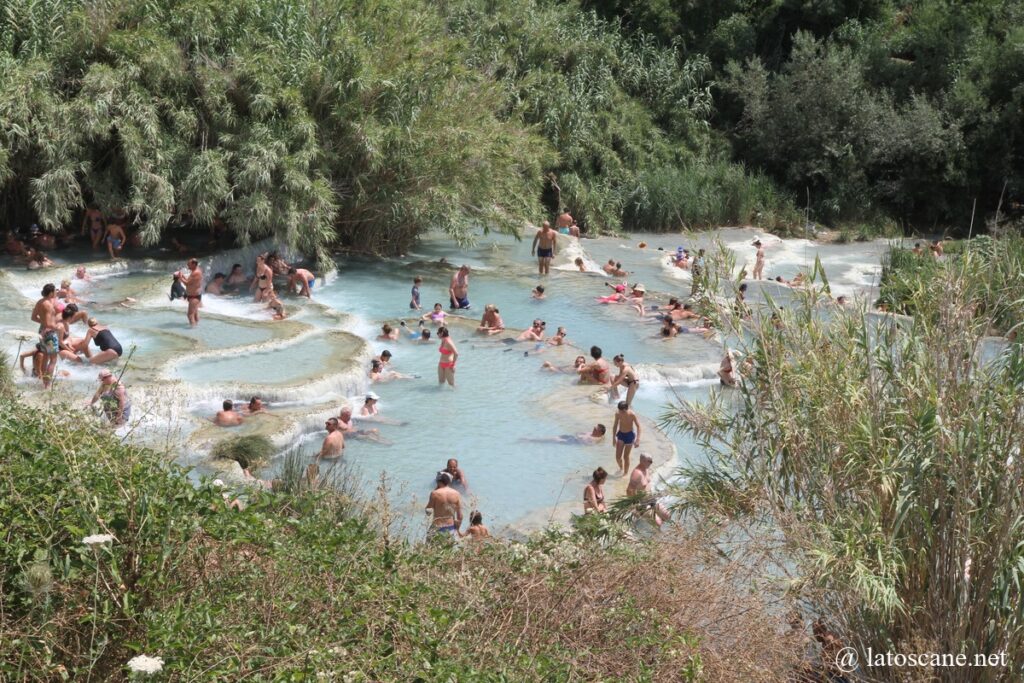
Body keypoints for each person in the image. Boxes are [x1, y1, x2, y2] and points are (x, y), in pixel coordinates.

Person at [626, 454, 670, 527]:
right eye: (650, 461)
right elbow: (629, 490)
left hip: (651, 499)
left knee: (667, 515)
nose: (651, 463)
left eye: (651, 461)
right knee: (658, 523)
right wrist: (633, 506)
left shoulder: (646, 469)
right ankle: (657, 535)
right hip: (642, 503)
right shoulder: (637, 474)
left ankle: (662, 531)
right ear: (642, 461)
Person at [31, 284, 60, 388]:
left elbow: (33, 317)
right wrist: (57, 327)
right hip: (50, 334)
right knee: (53, 359)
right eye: (55, 291)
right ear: (51, 292)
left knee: (46, 358)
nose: (56, 293)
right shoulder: (48, 304)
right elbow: (48, 323)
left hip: (42, 332)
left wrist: (42, 322)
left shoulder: (40, 302)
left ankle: (44, 384)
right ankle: (47, 385)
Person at [425, 471, 462, 539]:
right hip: (450, 527)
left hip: (437, 527)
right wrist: (457, 529)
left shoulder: (435, 493)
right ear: (448, 482)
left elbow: (428, 511)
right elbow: (460, 516)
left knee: (430, 548)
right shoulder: (456, 494)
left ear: (438, 481)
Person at [611, 400, 641, 476]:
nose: (619, 412)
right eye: (619, 410)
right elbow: (615, 425)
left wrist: (638, 439)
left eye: (621, 411)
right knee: (618, 457)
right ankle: (621, 468)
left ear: (625, 410)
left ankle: (625, 473)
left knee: (626, 456)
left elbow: (638, 426)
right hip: (621, 434)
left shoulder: (632, 414)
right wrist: (613, 438)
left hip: (629, 436)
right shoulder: (618, 414)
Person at [520, 424, 607, 446]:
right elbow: (578, 432)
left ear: (599, 432)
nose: (594, 428)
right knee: (555, 437)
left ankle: (530, 440)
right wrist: (579, 435)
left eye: (596, 428)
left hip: (574, 442)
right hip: (572, 438)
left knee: (553, 440)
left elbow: (588, 445)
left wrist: (580, 439)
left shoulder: (597, 438)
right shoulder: (590, 433)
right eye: (595, 427)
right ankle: (530, 440)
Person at [184, 258, 203, 327]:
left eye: (189, 264)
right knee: (194, 314)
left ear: (194, 264)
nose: (187, 266)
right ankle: (196, 327)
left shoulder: (196, 272)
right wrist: (182, 276)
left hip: (194, 296)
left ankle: (192, 330)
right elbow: (190, 282)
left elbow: (187, 284)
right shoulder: (194, 271)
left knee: (190, 315)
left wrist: (180, 278)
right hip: (193, 295)